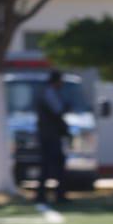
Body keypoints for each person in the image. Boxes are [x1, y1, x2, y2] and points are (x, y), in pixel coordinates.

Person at [34, 70, 70, 204]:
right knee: (54, 165)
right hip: (50, 136)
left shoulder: (48, 92)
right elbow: (58, 111)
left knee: (48, 165)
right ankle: (55, 195)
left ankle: (44, 195)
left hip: (48, 135)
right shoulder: (49, 93)